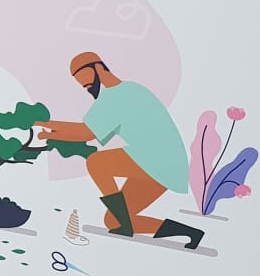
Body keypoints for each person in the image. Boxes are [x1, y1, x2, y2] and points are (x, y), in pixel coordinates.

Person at [36, 51, 203, 249]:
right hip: (159, 168)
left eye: (85, 79)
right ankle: (191, 233)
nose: (85, 86)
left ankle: (123, 221)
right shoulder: (118, 95)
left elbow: (85, 133)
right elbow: (85, 130)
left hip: (157, 159)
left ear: (98, 67)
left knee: (97, 163)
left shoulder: (120, 95)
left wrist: (48, 128)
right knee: (112, 221)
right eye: (81, 84)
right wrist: (49, 129)